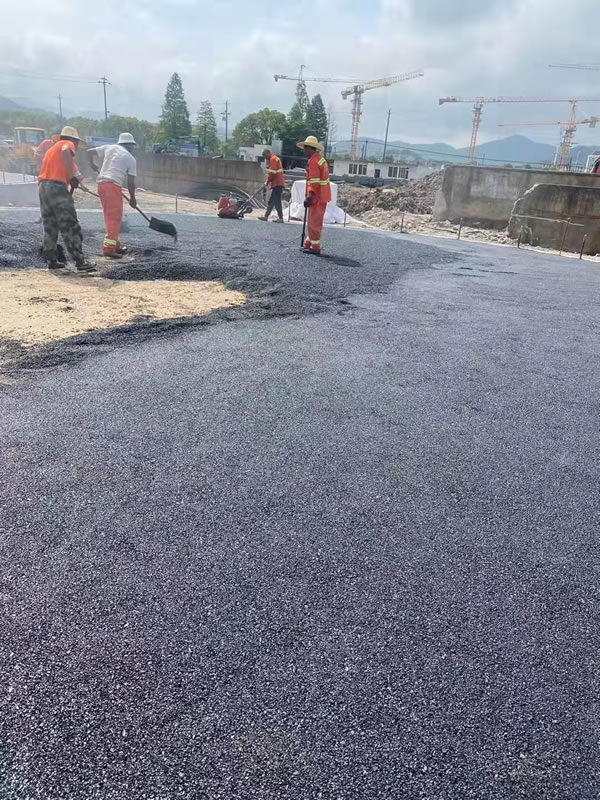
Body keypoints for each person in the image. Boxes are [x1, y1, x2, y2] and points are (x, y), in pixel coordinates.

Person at [38, 125, 95, 273]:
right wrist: (71, 178)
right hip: (56, 187)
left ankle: (51, 260)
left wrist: (79, 183)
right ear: (73, 140)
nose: (76, 146)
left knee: (50, 224)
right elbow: (66, 152)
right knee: (69, 224)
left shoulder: (52, 150)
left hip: (43, 187)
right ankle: (80, 261)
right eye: (76, 142)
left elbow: (72, 169)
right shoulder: (66, 144)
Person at [87, 132, 137, 258]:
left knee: (111, 217)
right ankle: (109, 248)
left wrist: (91, 164)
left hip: (102, 185)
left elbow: (89, 152)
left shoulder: (110, 147)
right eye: (132, 145)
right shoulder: (130, 159)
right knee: (114, 218)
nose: (133, 148)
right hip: (112, 186)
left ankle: (116, 245)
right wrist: (133, 199)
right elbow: (131, 183)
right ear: (129, 145)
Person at [297, 135, 331, 255]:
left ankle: (315, 247)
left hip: (317, 195)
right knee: (314, 220)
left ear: (310, 148)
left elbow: (315, 181)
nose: (304, 151)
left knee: (314, 222)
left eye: (305, 148)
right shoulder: (320, 159)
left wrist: (310, 196)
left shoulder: (314, 161)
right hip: (322, 194)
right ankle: (309, 242)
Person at [258, 148, 285, 223]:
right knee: (272, 201)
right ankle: (266, 216)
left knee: (277, 201)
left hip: (277, 183)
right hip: (277, 183)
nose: (265, 159)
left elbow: (272, 173)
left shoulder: (273, 159)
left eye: (265, 157)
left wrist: (266, 183)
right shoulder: (275, 158)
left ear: (267, 154)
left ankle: (281, 218)